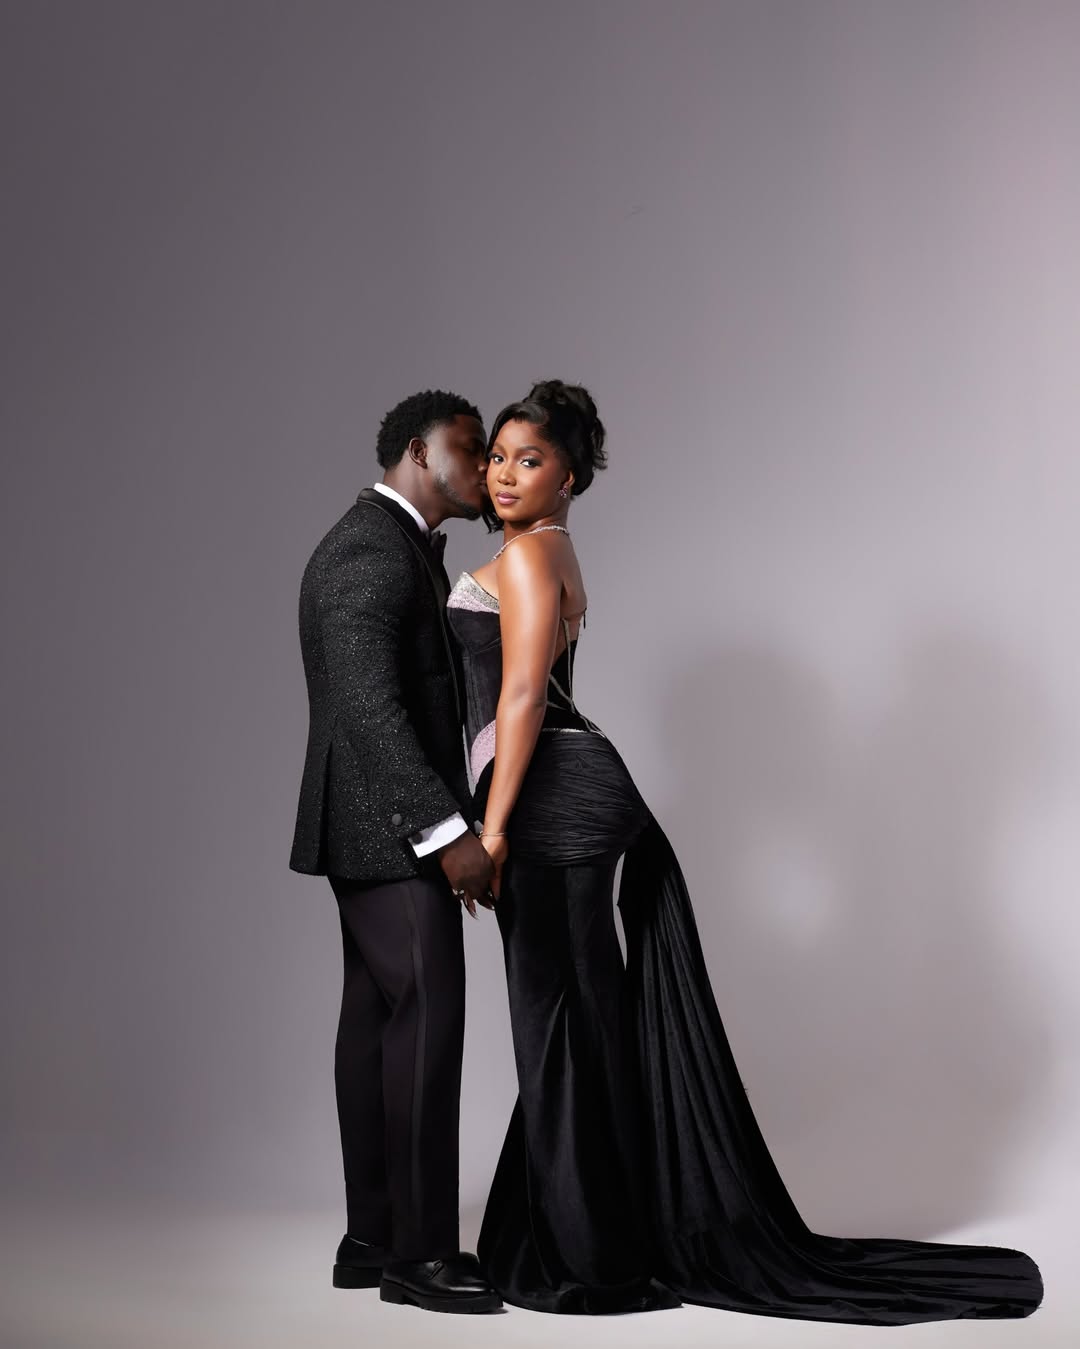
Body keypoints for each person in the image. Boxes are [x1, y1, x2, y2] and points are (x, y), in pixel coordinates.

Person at [445, 379, 1044, 1320]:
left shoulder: (526, 556)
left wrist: (491, 827)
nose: (505, 474)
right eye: (498, 457)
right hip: (577, 790)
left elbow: (521, 698)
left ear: (570, 478)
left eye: (531, 459)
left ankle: (584, 1256)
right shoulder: (552, 551)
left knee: (555, 1023)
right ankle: (583, 1233)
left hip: (552, 799)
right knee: (582, 1021)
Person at [290, 389, 502, 1314]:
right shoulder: (368, 551)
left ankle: (372, 1237)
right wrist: (448, 834)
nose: (485, 463)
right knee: (427, 1015)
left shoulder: (394, 546)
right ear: (418, 450)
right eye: (469, 445)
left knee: (379, 1019)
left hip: (376, 825)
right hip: (388, 828)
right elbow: (370, 711)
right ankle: (419, 1255)